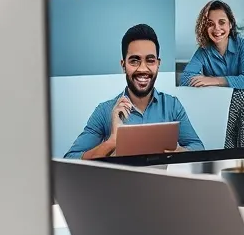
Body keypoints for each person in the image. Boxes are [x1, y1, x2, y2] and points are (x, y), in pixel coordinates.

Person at [64, 24, 204, 159]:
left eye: (150, 60)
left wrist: (180, 153)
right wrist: (112, 141)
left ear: (158, 64)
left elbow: (198, 147)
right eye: (134, 61)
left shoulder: (172, 106)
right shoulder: (104, 111)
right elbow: (71, 159)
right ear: (123, 65)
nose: (143, 69)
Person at [180, 0, 244, 149]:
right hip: (219, 107)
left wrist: (213, 80)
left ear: (230, 24)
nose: (216, 28)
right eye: (210, 24)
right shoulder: (203, 51)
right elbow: (185, 78)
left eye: (222, 22)